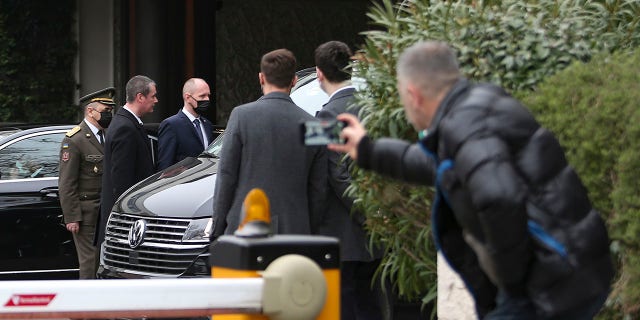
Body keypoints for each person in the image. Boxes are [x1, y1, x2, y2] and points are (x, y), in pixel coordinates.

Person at [330, 41, 613, 319]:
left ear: (413, 95)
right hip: (572, 269)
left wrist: (511, 281)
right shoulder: (476, 106)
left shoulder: (465, 125)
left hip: (549, 284)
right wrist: (367, 150)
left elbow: (498, 197)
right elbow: (439, 164)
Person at [211, 48, 327, 238]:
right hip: (295, 229)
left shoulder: (241, 116)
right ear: (294, 80)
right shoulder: (315, 126)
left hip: (246, 227)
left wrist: (218, 228)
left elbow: (226, 175)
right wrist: (310, 229)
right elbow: (319, 189)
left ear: (261, 78)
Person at [314, 40, 387, 320]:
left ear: (320, 73)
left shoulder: (325, 115)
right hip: (375, 231)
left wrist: (365, 214)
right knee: (371, 303)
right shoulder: (374, 108)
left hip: (342, 232)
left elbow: (332, 174)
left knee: (344, 306)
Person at [58, 87, 115, 279]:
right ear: (90, 111)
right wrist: (72, 216)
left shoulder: (106, 136)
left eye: (110, 111)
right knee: (89, 263)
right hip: (87, 212)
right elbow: (67, 183)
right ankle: (87, 305)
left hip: (104, 210)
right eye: (105, 111)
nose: (109, 115)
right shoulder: (75, 140)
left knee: (102, 261)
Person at [96, 75, 157, 246]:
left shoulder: (126, 123)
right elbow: (122, 182)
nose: (156, 100)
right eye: (153, 96)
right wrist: (127, 221)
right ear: (140, 97)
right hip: (125, 222)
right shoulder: (125, 127)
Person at [157, 78, 215, 170]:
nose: (207, 99)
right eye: (202, 96)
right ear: (187, 97)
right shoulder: (171, 125)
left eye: (208, 95)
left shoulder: (207, 125)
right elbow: (165, 165)